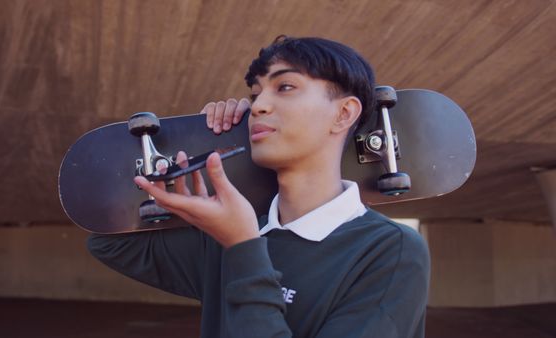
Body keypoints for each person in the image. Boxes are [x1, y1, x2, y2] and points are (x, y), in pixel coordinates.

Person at [88, 36, 430, 337]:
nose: (258, 106)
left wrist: (243, 246)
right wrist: (224, 153)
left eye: (284, 87)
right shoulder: (223, 236)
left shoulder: (391, 251)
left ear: (343, 114)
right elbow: (106, 241)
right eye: (255, 94)